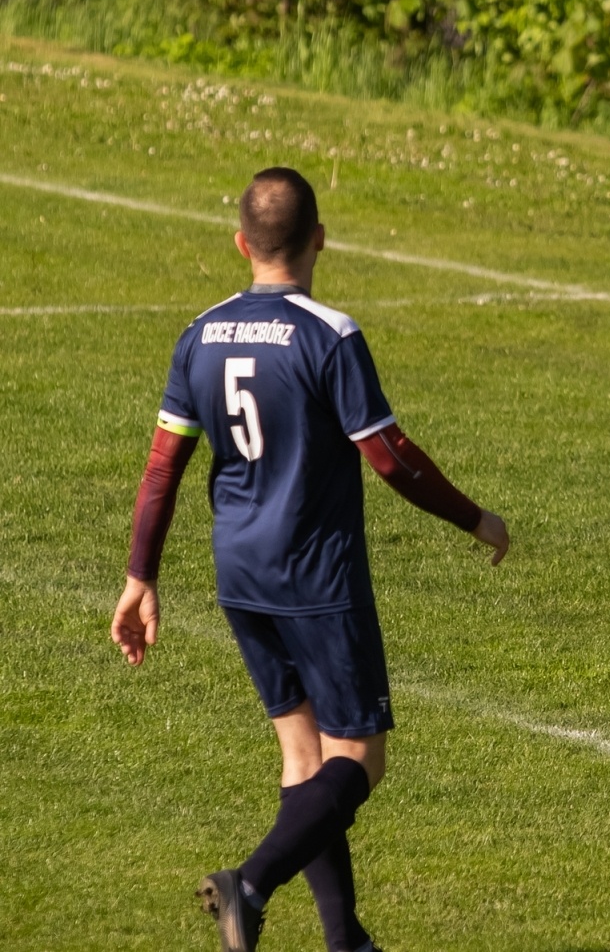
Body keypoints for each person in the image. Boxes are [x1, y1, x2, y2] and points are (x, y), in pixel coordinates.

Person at [110, 167, 510, 952]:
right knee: (359, 756)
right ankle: (250, 883)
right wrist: (476, 517)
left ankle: (345, 939)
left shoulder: (201, 331)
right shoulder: (328, 332)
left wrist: (140, 577)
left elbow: (163, 466)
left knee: (303, 755)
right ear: (320, 237)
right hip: (315, 575)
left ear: (241, 243)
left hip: (241, 573)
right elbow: (389, 457)